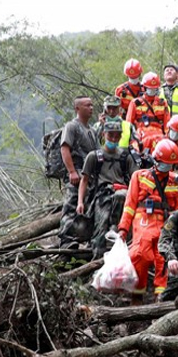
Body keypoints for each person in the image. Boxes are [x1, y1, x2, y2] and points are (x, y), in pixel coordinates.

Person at [117, 139, 178, 304]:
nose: (168, 167)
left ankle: (160, 297)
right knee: (139, 254)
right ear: (157, 160)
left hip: (165, 222)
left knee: (162, 257)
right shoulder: (139, 176)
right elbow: (129, 206)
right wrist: (123, 229)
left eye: (171, 165)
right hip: (143, 220)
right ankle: (137, 295)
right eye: (165, 163)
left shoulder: (176, 181)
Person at [77, 117, 139, 259]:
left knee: (121, 197)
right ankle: (96, 264)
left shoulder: (126, 156)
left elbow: (136, 179)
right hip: (101, 197)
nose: (113, 138)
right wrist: (80, 202)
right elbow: (84, 180)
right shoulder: (94, 156)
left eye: (117, 136)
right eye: (110, 135)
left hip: (123, 199)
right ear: (104, 134)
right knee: (100, 233)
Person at [58, 96, 99, 248]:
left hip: (89, 176)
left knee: (88, 207)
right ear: (78, 108)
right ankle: (66, 240)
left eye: (92, 105)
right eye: (87, 105)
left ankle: (84, 240)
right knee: (71, 206)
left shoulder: (91, 131)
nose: (91, 108)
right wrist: (71, 171)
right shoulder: (72, 126)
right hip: (76, 174)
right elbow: (64, 148)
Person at [126, 72, 170, 154]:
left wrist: (167, 137)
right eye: (150, 88)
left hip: (160, 135)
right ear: (144, 87)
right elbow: (128, 124)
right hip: (141, 135)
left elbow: (167, 124)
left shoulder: (162, 103)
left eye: (154, 88)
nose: (152, 90)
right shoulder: (135, 103)